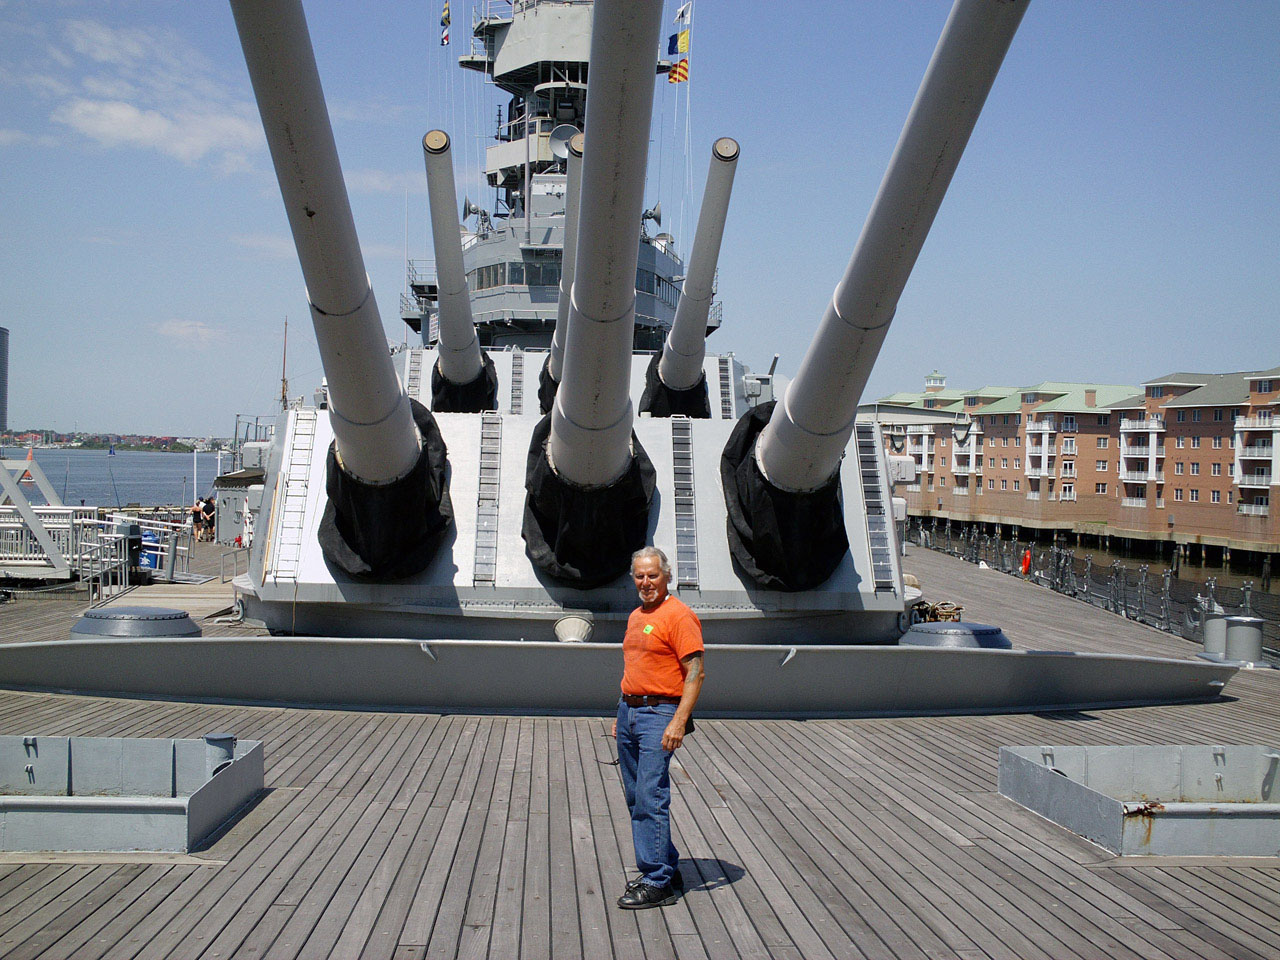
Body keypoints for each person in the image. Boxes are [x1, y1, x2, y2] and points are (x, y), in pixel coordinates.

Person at [613, 545, 705, 909]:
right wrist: (622, 712)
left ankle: (656, 880)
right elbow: (636, 666)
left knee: (651, 796)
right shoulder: (637, 615)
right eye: (640, 575)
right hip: (630, 712)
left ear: (667, 576)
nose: (646, 582)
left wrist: (679, 721)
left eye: (653, 575)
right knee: (637, 795)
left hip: (659, 714)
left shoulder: (679, 616)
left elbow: (695, 673)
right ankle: (666, 864)